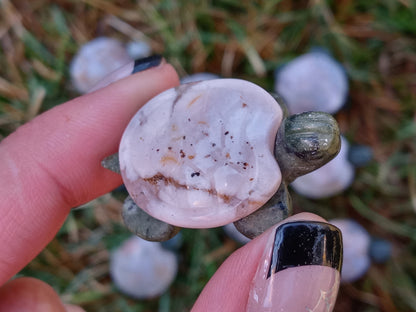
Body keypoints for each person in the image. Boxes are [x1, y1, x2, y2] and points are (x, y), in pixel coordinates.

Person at [0, 56, 343, 312]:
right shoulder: (255, 118)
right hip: (172, 177)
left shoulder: (262, 136)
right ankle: (148, 201)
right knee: (156, 215)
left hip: (199, 182)